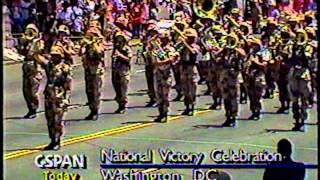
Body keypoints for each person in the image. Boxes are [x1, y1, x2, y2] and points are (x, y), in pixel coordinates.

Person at [42, 45, 72, 150]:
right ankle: (52, 140)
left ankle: (58, 141)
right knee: (49, 120)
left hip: (59, 97)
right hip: (49, 96)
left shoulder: (65, 68)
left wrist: (66, 99)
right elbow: (36, 57)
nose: (53, 57)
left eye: (56, 55)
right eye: (52, 55)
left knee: (58, 121)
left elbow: (67, 85)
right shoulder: (49, 66)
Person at [18, 24, 45, 119]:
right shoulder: (26, 42)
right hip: (26, 67)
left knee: (34, 91)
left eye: (31, 31)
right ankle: (30, 108)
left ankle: (34, 109)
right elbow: (21, 52)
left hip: (35, 68)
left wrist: (34, 41)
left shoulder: (38, 42)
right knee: (26, 90)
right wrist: (21, 43)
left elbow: (39, 52)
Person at [220, 33, 246, 127]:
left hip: (234, 75)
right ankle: (228, 116)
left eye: (231, 40)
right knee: (226, 97)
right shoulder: (225, 51)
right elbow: (217, 57)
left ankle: (234, 117)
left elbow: (243, 55)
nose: (229, 42)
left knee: (234, 97)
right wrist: (223, 49)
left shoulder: (238, 50)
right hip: (225, 75)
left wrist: (234, 47)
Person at [152, 29, 178, 122]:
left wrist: (161, 62)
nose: (162, 40)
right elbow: (154, 60)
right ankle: (160, 113)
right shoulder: (157, 49)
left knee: (165, 95)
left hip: (166, 74)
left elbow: (171, 60)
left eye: (164, 39)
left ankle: (166, 113)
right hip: (158, 73)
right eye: (161, 39)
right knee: (158, 95)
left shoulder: (171, 49)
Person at [289, 29, 312, 131]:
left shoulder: (308, 46)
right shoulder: (294, 46)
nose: (298, 37)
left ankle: (303, 120)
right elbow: (291, 59)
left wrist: (302, 47)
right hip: (294, 73)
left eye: (300, 35)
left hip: (303, 73)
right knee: (294, 99)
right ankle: (296, 120)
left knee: (303, 99)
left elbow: (307, 58)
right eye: (297, 35)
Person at [81, 27, 105, 120]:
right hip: (88, 69)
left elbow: (99, 53)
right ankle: (91, 109)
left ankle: (95, 111)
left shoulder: (100, 45)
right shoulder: (86, 45)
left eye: (93, 35)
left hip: (96, 70)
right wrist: (84, 46)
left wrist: (94, 43)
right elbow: (80, 53)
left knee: (96, 91)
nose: (91, 37)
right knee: (89, 90)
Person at [178, 28, 201, 116]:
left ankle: (193, 106)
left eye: (191, 37)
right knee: (185, 89)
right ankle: (187, 106)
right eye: (187, 37)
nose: (189, 39)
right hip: (183, 68)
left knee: (192, 89)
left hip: (192, 68)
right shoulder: (182, 46)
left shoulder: (195, 46)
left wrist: (185, 44)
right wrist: (181, 43)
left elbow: (193, 53)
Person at [111, 32, 133, 114]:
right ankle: (119, 104)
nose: (118, 42)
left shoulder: (126, 49)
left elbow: (128, 59)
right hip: (115, 71)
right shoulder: (115, 49)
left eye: (120, 40)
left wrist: (120, 55)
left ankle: (123, 106)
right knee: (117, 89)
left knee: (123, 89)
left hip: (124, 71)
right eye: (117, 40)